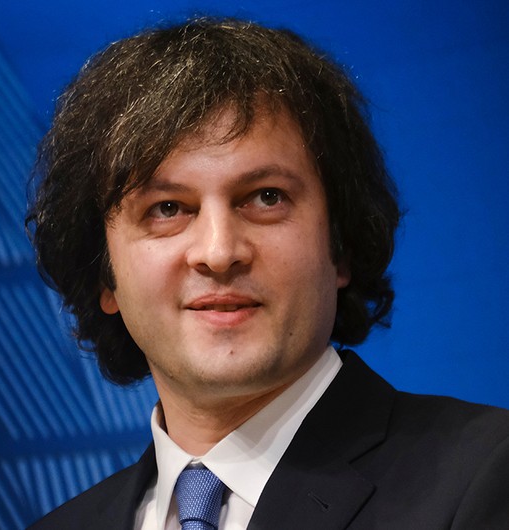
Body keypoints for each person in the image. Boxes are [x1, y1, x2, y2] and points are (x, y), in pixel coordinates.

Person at [25, 17, 509, 529]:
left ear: (341, 246)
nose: (219, 252)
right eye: (167, 209)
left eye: (266, 198)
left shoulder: (486, 478)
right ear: (104, 276)